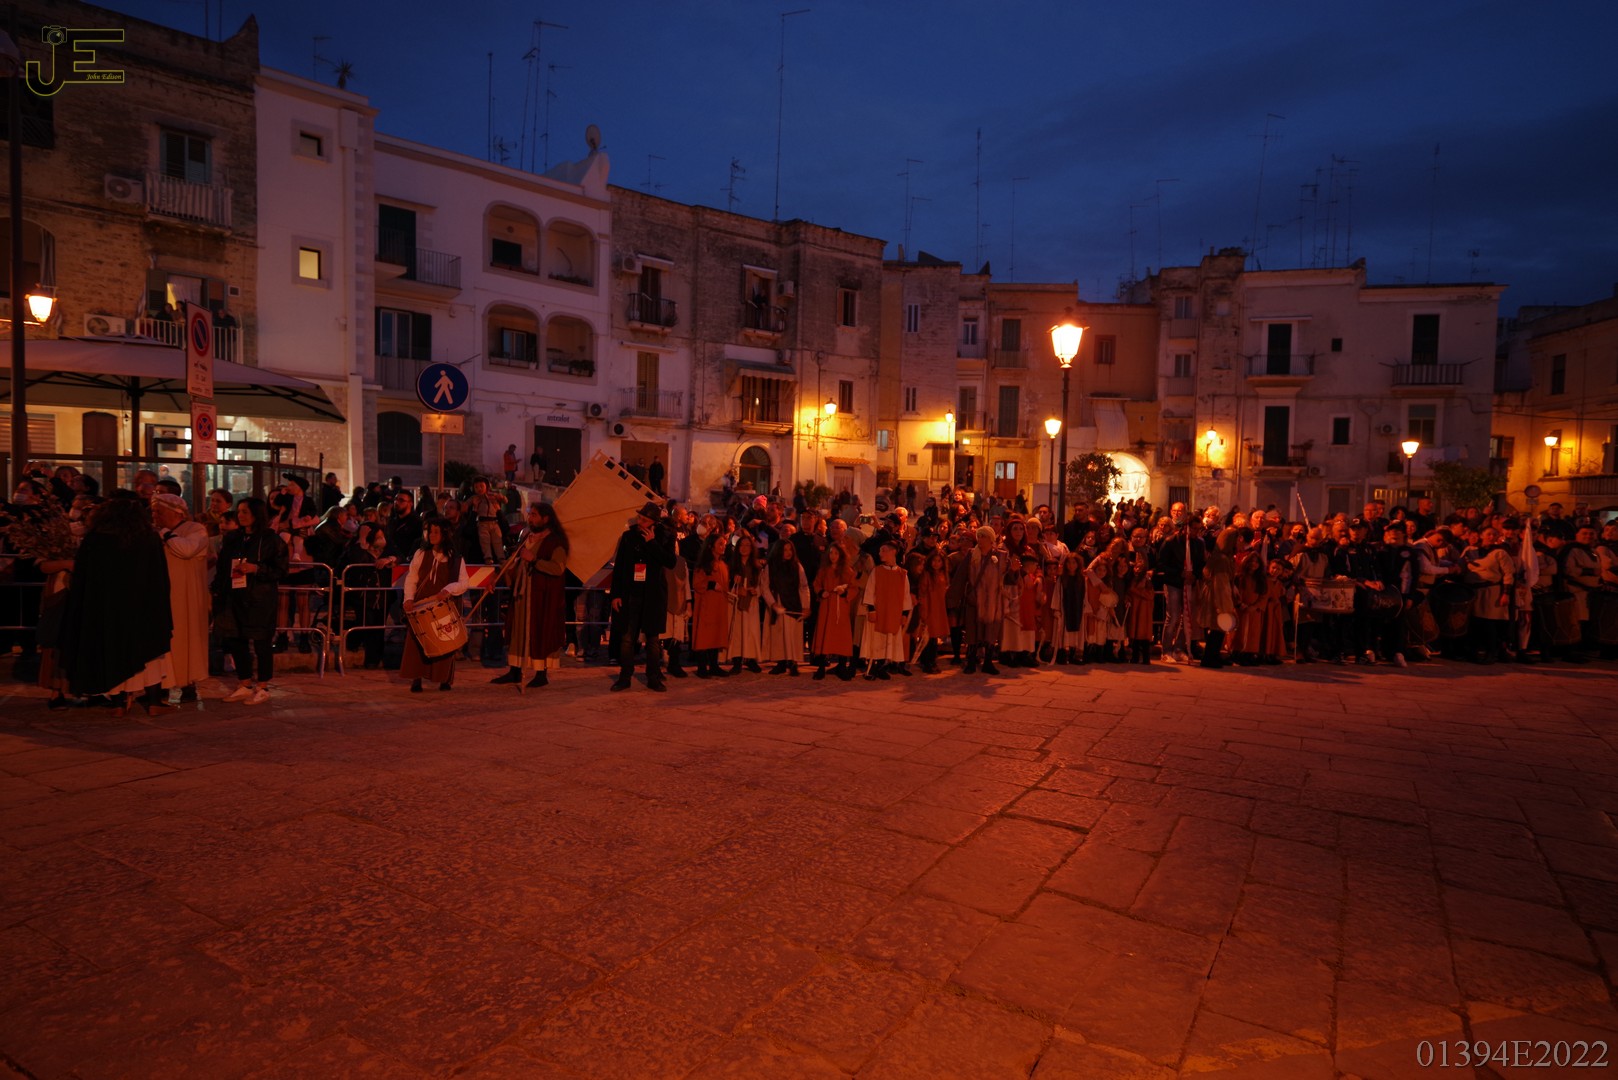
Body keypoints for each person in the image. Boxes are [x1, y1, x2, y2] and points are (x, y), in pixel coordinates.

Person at [214, 498, 289, 705]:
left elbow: (281, 569)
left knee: (261, 641)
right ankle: (244, 682)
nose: (241, 515)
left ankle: (263, 686)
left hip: (259, 598)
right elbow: (222, 567)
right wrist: (218, 590)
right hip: (234, 595)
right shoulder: (233, 538)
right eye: (239, 511)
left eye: (245, 512)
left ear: (257, 514)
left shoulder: (271, 540)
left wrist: (257, 568)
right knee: (236, 639)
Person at [492, 502, 569, 690]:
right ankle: (515, 670)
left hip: (541, 597)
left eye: (534, 515)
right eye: (530, 514)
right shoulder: (527, 537)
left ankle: (541, 674)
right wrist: (499, 577)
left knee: (539, 631)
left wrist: (534, 559)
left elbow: (558, 568)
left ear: (546, 518)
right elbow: (516, 562)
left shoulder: (555, 542)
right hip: (522, 594)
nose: (530, 518)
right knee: (518, 630)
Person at [609, 502, 677, 691]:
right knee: (627, 638)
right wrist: (616, 595)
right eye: (639, 518)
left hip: (653, 596)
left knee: (653, 639)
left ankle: (653, 677)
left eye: (645, 520)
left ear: (654, 523)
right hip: (631, 594)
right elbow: (619, 568)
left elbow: (670, 562)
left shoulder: (666, 536)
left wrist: (652, 543)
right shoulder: (628, 536)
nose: (640, 522)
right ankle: (625, 677)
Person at [151, 493, 211, 704]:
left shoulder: (196, 529)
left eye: (159, 511)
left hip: (186, 599)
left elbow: (186, 550)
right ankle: (160, 684)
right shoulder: (155, 532)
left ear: (175, 512)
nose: (155, 515)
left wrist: (166, 534)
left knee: (185, 639)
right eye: (153, 511)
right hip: (162, 596)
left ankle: (187, 683)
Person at [400, 520, 470, 692]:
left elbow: (464, 582)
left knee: (445, 640)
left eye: (436, 532)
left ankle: (443, 679)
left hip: (443, 607)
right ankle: (416, 678)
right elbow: (412, 578)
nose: (432, 535)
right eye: (430, 531)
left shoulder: (455, 558)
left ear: (445, 534)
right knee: (418, 642)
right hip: (421, 604)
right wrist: (408, 598)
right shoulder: (421, 553)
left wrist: (448, 589)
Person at [861, 540, 912, 679]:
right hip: (879, 612)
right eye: (880, 551)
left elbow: (906, 595)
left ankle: (883, 665)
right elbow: (870, 590)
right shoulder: (877, 571)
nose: (880, 553)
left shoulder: (902, 574)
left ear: (893, 552)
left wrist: (904, 613)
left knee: (888, 639)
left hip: (893, 613)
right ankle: (872, 666)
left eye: (883, 550)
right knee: (876, 638)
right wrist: (871, 609)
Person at [760, 538, 809, 675]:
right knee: (778, 635)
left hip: (793, 604)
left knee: (792, 635)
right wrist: (773, 603)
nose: (788, 552)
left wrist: (805, 606)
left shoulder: (797, 566)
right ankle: (780, 662)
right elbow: (765, 587)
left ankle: (793, 662)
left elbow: (804, 586)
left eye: (790, 549)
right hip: (778, 603)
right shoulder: (771, 567)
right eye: (785, 550)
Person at [691, 532, 733, 678]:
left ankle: (714, 666)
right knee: (705, 635)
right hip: (707, 605)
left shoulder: (723, 564)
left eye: (724, 544)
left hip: (719, 605)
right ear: (711, 546)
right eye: (720, 544)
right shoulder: (704, 565)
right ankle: (702, 667)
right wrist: (711, 584)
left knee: (716, 634)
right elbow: (697, 584)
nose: (723, 547)